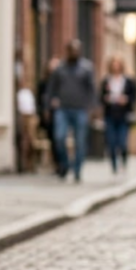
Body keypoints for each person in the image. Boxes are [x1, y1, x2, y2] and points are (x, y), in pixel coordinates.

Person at [46, 40, 97, 183]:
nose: (74, 52)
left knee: (80, 141)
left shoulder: (86, 68)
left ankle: (77, 170)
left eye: (76, 50)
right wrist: (49, 104)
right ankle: (65, 164)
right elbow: (51, 89)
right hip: (63, 108)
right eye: (71, 50)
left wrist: (92, 108)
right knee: (59, 137)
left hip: (80, 109)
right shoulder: (60, 69)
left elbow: (92, 90)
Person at [99, 56, 136, 175]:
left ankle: (124, 160)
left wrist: (126, 100)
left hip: (123, 115)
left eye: (118, 64)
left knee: (122, 141)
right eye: (114, 64)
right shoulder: (106, 81)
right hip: (110, 114)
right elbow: (100, 97)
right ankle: (114, 165)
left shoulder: (128, 81)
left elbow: (134, 97)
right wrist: (107, 99)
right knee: (111, 142)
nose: (116, 66)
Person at [37, 57, 63, 176]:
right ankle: (57, 163)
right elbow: (39, 99)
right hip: (49, 115)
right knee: (53, 139)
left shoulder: (63, 83)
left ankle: (62, 163)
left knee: (59, 139)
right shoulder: (44, 83)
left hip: (61, 113)